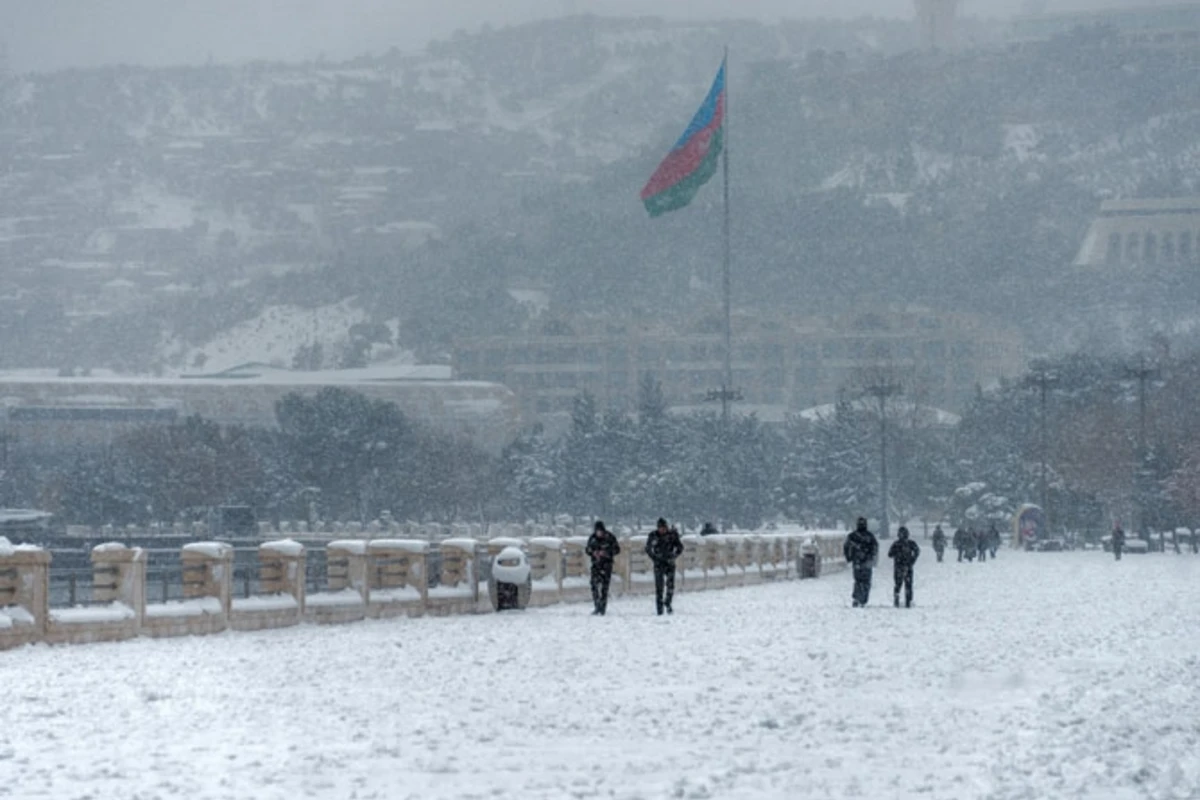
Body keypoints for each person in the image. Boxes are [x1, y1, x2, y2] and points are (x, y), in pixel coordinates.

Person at [645, 518, 684, 615]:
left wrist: (674, 556)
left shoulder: (672, 535)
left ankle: (668, 602)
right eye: (660, 528)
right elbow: (648, 548)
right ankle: (659, 609)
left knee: (670, 585)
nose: (662, 530)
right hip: (658, 563)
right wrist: (654, 557)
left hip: (669, 562)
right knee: (659, 587)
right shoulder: (653, 536)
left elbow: (680, 547)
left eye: (663, 528)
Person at [586, 520, 621, 615]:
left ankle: (602, 608)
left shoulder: (610, 537)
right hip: (596, 564)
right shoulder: (592, 538)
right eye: (597, 531)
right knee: (594, 585)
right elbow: (587, 549)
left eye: (600, 531)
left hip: (606, 565)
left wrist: (606, 553)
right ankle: (597, 605)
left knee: (604, 587)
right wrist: (593, 553)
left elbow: (617, 549)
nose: (599, 533)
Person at [843, 517, 879, 608]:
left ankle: (857, 598)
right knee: (865, 581)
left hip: (857, 562)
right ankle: (862, 599)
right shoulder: (870, 536)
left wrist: (849, 558)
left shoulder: (852, 536)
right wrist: (872, 557)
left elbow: (846, 547)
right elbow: (875, 548)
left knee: (858, 581)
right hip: (866, 562)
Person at [887, 526, 920, 608]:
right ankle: (908, 601)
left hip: (898, 566)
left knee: (898, 584)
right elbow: (917, 551)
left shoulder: (896, 544)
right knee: (908, 584)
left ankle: (897, 599)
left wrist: (897, 555)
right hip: (908, 566)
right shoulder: (911, 543)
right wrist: (912, 560)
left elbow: (890, 554)